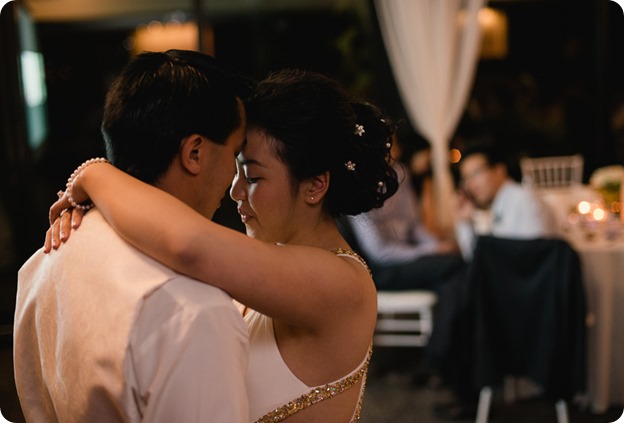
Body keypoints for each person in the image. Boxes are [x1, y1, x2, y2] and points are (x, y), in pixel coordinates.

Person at [48, 69, 400, 422]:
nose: (235, 192)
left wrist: (95, 174)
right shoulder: (270, 263)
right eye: (236, 172)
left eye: (254, 177)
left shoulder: (343, 283)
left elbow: (188, 244)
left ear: (315, 185)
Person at [14, 50, 251, 422]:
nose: (234, 179)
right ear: (195, 153)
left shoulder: (41, 262)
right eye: (234, 154)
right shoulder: (194, 312)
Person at [431, 141, 558, 420]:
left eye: (476, 174)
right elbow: (480, 259)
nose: (470, 184)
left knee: (457, 300)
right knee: (455, 289)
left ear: (499, 170)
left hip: (529, 306)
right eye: (465, 178)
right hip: (517, 294)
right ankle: (451, 373)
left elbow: (519, 265)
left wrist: (472, 226)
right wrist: (466, 221)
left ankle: (451, 373)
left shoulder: (521, 202)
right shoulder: (505, 202)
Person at [344, 125, 465, 294]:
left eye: (393, 144)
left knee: (454, 277)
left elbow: (414, 225)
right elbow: (379, 252)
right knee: (454, 267)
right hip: (382, 268)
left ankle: (448, 320)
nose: (394, 149)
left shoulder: (399, 173)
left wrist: (436, 245)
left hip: (407, 252)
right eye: (387, 144)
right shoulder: (356, 186)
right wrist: (429, 250)